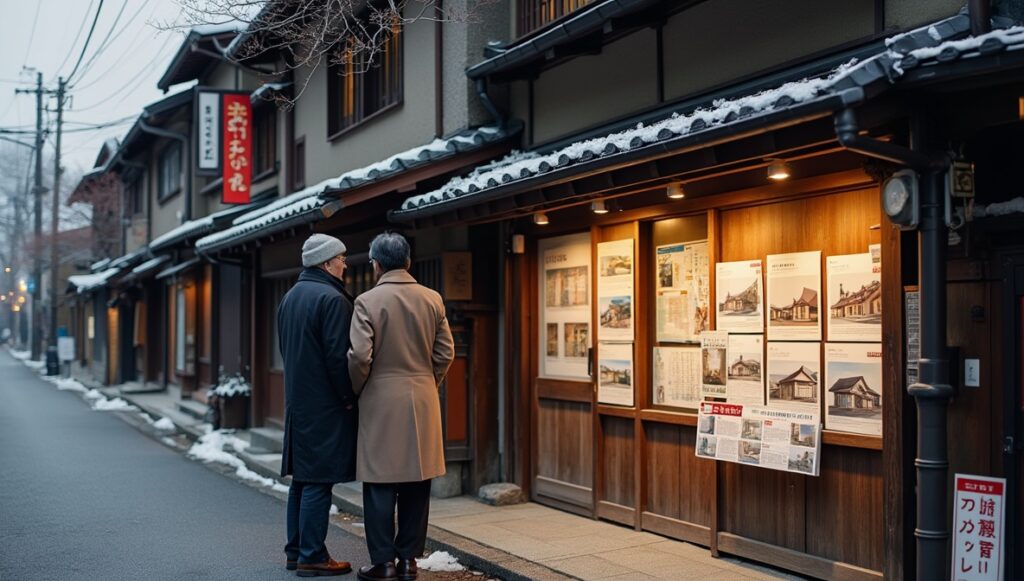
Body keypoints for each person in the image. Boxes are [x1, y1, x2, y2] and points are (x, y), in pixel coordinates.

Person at [348, 232, 455, 581]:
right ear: (408, 262)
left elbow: (360, 357)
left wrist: (360, 389)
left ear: (376, 263)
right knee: (416, 479)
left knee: (379, 483)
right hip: (422, 397)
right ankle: (409, 560)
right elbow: (445, 353)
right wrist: (428, 381)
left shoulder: (367, 301)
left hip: (380, 400)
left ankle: (383, 563)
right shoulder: (432, 299)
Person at [277, 233, 358, 577]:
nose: (345, 264)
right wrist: (349, 398)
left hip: (299, 402)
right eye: (341, 258)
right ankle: (312, 555)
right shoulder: (332, 300)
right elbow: (339, 360)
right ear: (326, 263)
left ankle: (296, 551)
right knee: (319, 482)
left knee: (302, 480)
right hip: (326, 405)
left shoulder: (291, 297)